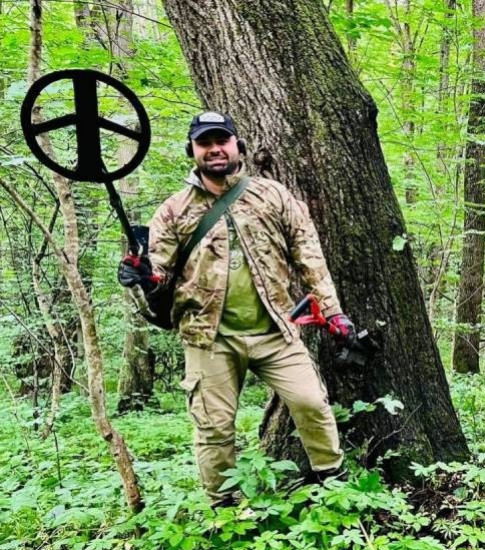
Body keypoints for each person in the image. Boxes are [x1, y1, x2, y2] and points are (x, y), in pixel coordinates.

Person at [118, 111, 356, 506]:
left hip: (276, 330)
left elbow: (309, 255)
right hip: (208, 337)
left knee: (311, 403)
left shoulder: (273, 195)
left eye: (222, 140)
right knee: (213, 429)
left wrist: (332, 312)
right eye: (204, 143)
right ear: (192, 151)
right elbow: (157, 270)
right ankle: (223, 509)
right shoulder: (174, 210)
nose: (214, 149)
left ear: (237, 147)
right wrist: (141, 276)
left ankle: (334, 484)